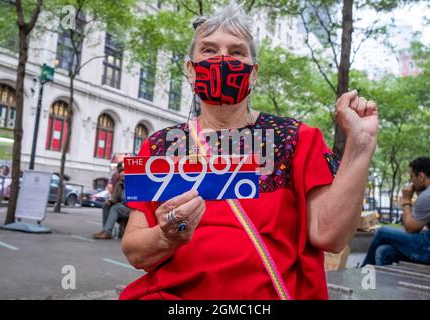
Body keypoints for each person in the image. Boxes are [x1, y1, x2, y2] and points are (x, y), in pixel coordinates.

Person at [119, 3, 378, 300]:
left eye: (237, 52)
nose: (222, 59)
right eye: (208, 50)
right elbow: (135, 252)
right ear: (190, 70)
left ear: (253, 74)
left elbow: (330, 236)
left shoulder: (296, 139)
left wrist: (360, 146)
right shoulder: (159, 146)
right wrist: (164, 236)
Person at [362, 157, 430, 267]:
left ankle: (362, 272)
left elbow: (411, 228)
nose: (411, 182)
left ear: (421, 176)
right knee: (383, 251)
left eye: (412, 177)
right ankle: (379, 282)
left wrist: (406, 200)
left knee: (382, 232)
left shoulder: (429, 196)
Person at [93, 166, 131, 239]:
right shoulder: (119, 184)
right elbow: (114, 196)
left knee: (115, 208)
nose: (122, 177)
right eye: (121, 176)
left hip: (129, 208)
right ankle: (105, 230)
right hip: (121, 207)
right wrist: (110, 201)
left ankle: (108, 231)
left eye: (124, 176)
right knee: (106, 205)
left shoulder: (132, 185)